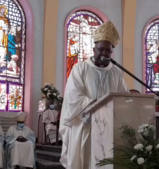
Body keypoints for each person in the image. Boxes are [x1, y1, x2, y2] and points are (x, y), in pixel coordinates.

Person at [59, 21, 128, 169]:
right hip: (85, 127)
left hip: (109, 128)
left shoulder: (116, 73)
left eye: (108, 51)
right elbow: (74, 97)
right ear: (93, 49)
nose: (104, 53)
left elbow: (124, 97)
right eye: (101, 49)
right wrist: (99, 105)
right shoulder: (80, 69)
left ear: (112, 52)